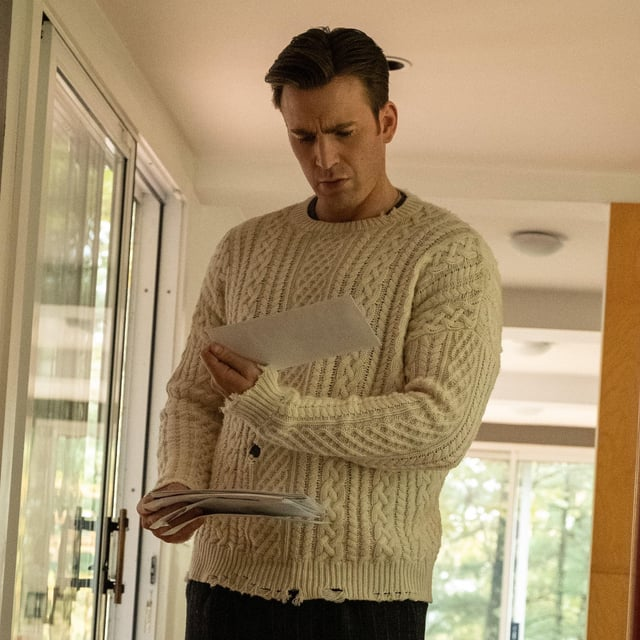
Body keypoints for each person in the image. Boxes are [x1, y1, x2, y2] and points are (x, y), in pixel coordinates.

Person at [137, 26, 502, 639]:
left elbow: (440, 427)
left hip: (366, 599)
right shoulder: (243, 248)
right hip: (223, 584)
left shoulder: (448, 255)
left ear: (387, 121)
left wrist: (279, 410)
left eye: (343, 132)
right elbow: (195, 396)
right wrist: (182, 482)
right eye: (302, 136)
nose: (323, 159)